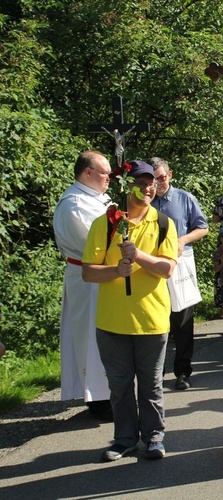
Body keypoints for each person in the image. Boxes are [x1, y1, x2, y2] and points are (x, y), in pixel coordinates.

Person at [82, 160, 178, 462]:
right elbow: (88, 272)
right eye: (141, 182)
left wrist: (138, 256)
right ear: (127, 185)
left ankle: (153, 438)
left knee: (150, 386)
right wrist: (115, 271)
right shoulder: (106, 223)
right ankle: (124, 439)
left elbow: (167, 269)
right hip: (112, 322)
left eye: (151, 182)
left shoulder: (164, 223)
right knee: (120, 387)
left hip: (152, 320)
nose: (148, 187)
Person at [52, 150, 112, 420]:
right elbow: (93, 245)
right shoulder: (74, 204)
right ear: (88, 173)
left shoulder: (97, 199)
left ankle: (112, 392)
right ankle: (99, 400)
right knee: (91, 336)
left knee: (108, 336)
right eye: (104, 174)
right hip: (87, 280)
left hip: (105, 278)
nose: (109, 178)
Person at [151, 157, 209, 391]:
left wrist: (183, 240)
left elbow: (203, 227)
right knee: (156, 320)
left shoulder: (184, 198)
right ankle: (155, 373)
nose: (158, 184)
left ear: (170, 175)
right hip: (152, 266)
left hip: (180, 264)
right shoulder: (143, 201)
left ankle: (183, 372)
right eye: (153, 180)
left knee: (182, 321)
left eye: (162, 178)